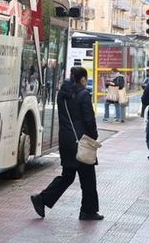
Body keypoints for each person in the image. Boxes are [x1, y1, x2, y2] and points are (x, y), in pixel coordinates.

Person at [30, 65, 103, 220]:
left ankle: (42, 199)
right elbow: (89, 119)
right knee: (88, 178)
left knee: (68, 175)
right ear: (82, 78)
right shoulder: (83, 94)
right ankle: (88, 211)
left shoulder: (62, 94)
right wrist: (94, 136)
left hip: (66, 140)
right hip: (80, 141)